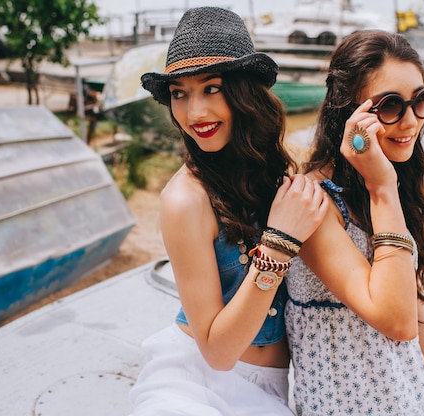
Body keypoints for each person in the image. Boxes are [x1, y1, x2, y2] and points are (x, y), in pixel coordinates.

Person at [129, 7, 328, 415]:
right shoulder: (184, 199)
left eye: (211, 88)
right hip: (195, 382)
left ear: (245, 91)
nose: (194, 113)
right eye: (179, 93)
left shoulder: (278, 173)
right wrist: (277, 246)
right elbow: (217, 352)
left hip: (275, 387)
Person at [284, 30, 424, 415]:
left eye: (421, 101)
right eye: (389, 106)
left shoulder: (387, 180)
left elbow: (417, 312)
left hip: (410, 398)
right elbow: (396, 322)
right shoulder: (314, 202)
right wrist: (382, 187)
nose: (409, 121)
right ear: (347, 113)